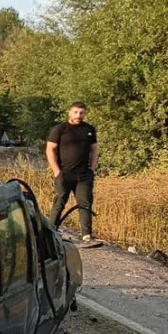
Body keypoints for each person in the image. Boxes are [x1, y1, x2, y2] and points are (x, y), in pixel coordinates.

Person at [46, 102, 101, 248]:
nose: (78, 115)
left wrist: (93, 167)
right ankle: (50, 233)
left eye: (81, 113)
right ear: (69, 112)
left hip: (84, 175)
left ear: (85, 113)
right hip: (65, 174)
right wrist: (56, 171)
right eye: (76, 112)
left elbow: (94, 149)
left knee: (85, 204)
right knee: (59, 203)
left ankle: (87, 236)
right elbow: (50, 149)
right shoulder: (60, 129)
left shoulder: (89, 129)